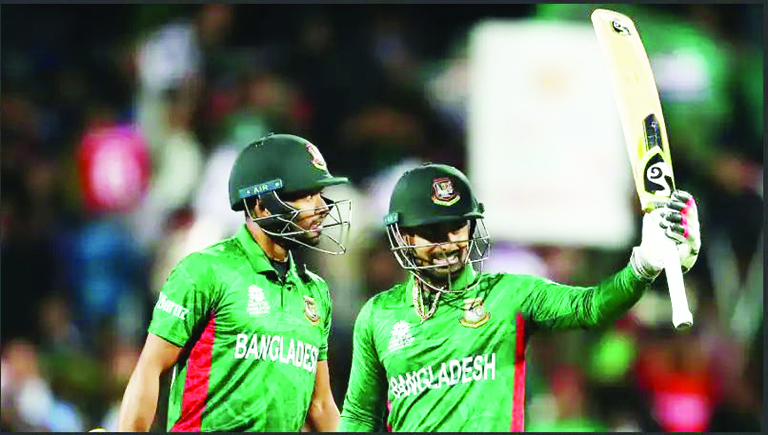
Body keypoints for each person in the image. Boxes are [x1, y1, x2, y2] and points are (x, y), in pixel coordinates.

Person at [338, 163, 700, 432]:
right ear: (403, 236)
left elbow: (589, 307)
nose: (448, 243)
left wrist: (642, 265)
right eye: (432, 232)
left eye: (457, 226)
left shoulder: (509, 295)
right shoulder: (378, 314)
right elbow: (359, 416)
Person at [117, 133, 352, 431]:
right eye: (306, 195)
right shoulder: (206, 270)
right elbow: (151, 368)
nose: (322, 207)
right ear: (262, 205)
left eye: (320, 193)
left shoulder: (315, 292)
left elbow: (320, 405)